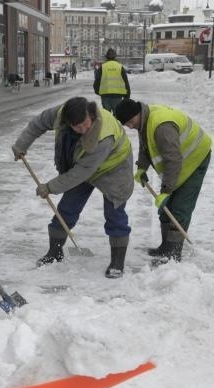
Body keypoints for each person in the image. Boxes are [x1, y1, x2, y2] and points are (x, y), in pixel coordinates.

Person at [12, 96, 134, 278]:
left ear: (91, 114)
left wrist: (50, 187)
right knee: (67, 208)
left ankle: (117, 262)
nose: (84, 129)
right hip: (82, 163)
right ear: (67, 122)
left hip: (114, 168)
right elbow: (38, 123)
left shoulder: (103, 137)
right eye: (77, 127)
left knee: (114, 213)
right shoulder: (60, 114)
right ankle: (55, 252)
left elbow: (81, 172)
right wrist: (21, 144)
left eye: (86, 124)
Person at [114, 99, 211, 263]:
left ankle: (172, 254)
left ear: (137, 113)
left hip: (195, 158)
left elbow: (173, 160)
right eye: (126, 124)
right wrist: (142, 167)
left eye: (130, 122)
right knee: (165, 208)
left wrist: (166, 190)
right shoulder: (144, 120)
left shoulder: (161, 127)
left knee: (179, 207)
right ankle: (166, 247)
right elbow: (146, 145)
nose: (130, 126)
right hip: (179, 161)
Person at [93, 48, 130, 113]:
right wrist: (127, 95)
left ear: (106, 57)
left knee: (107, 116)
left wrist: (97, 91)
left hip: (105, 95)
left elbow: (97, 81)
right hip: (117, 96)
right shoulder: (120, 67)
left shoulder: (102, 67)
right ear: (115, 56)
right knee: (117, 115)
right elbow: (126, 82)